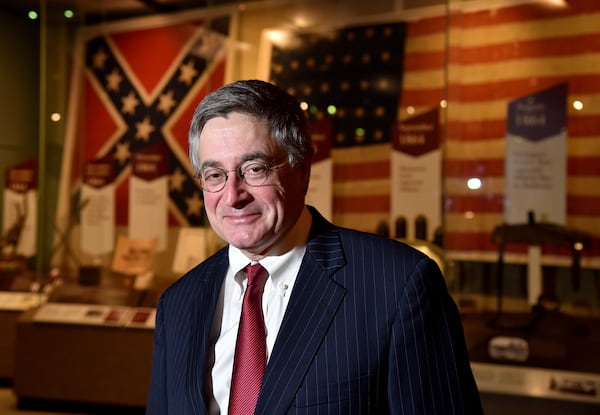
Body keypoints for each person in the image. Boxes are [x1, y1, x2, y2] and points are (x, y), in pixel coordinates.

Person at [146, 79, 483, 414]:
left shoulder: (398, 285)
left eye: (255, 169)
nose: (233, 196)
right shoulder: (178, 303)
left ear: (303, 170)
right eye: (215, 175)